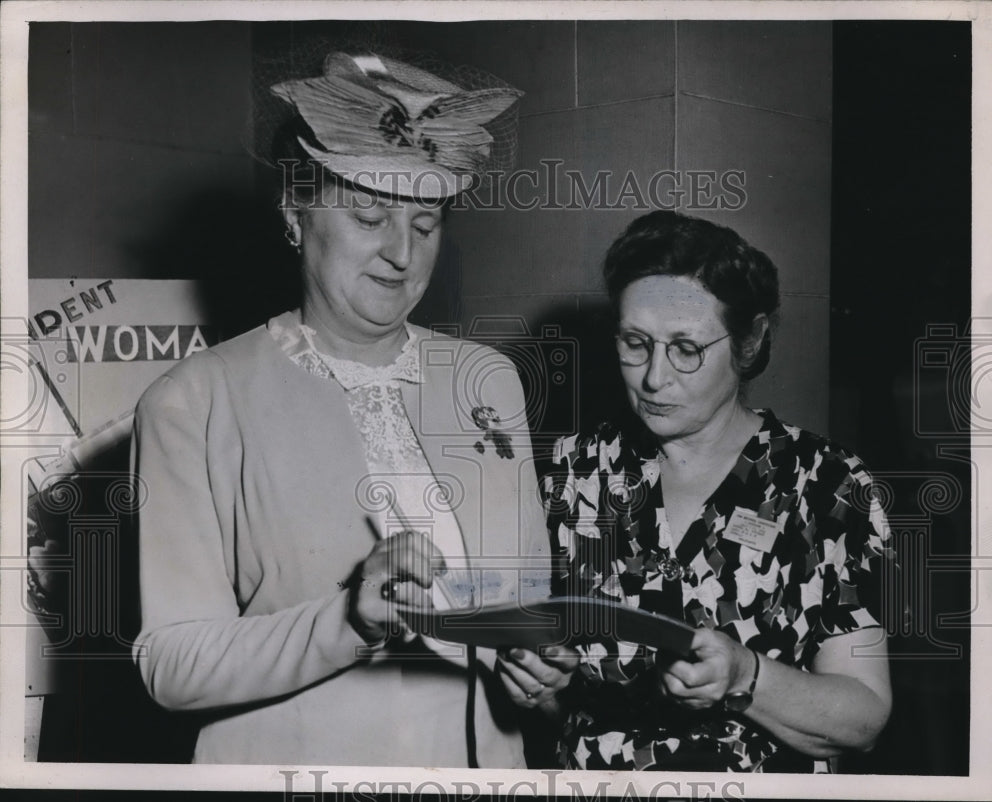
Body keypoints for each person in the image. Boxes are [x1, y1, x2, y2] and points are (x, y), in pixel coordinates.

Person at [131, 51, 549, 767]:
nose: (400, 254)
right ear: (295, 215)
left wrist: (544, 669)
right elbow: (171, 662)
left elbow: (531, 606)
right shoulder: (192, 401)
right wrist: (348, 617)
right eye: (367, 215)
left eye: (425, 224)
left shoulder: (489, 380)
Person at [496, 210, 894, 772]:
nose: (654, 377)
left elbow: (865, 717)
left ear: (749, 342)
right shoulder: (572, 474)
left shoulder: (827, 484)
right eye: (636, 343)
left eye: (686, 348)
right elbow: (566, 709)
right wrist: (541, 690)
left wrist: (746, 675)